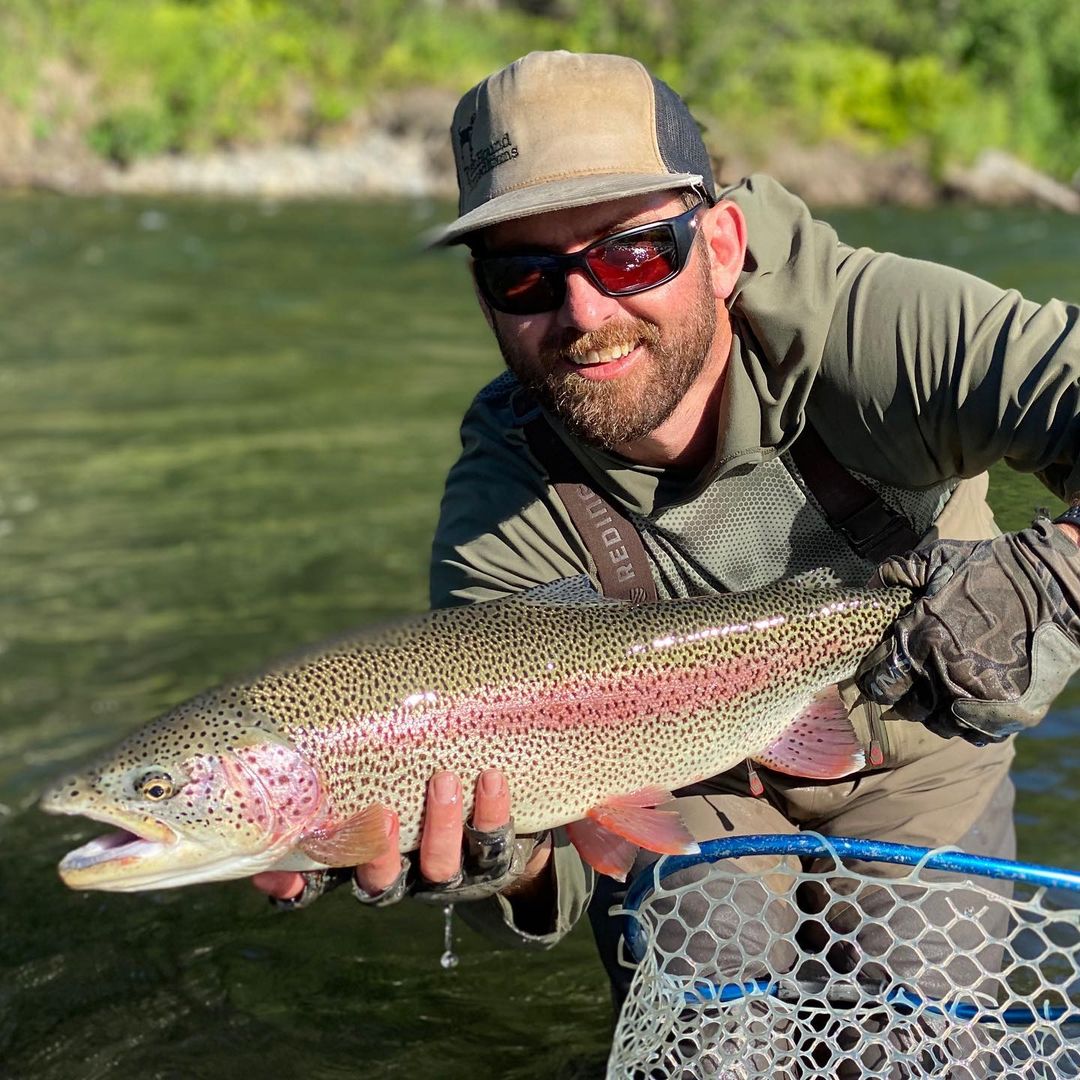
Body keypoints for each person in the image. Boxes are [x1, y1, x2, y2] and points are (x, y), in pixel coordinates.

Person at [253, 49, 1080, 1024]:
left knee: (915, 1033)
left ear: (722, 243)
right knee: (718, 1032)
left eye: (631, 252)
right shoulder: (503, 508)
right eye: (524, 276)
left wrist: (1053, 575)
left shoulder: (879, 331)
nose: (586, 313)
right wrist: (506, 862)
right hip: (682, 779)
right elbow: (551, 867)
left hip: (926, 735)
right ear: (485, 298)